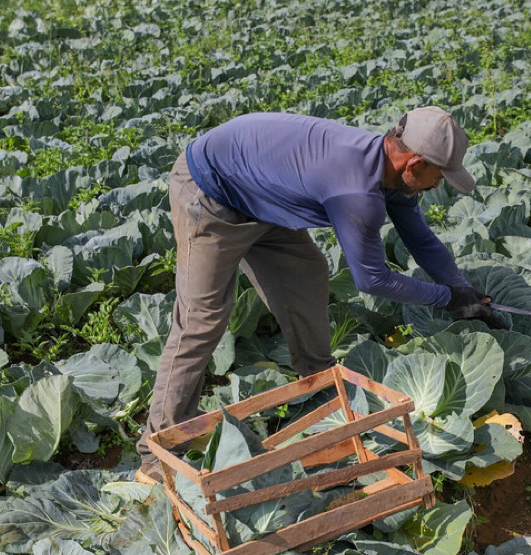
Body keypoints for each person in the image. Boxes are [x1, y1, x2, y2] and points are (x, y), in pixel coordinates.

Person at [135, 106, 500, 484]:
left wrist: (459, 286)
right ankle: (156, 453)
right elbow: (373, 280)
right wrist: (445, 299)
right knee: (202, 321)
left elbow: (420, 238)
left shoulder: (389, 168)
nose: (437, 185)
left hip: (261, 192)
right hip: (211, 191)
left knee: (306, 271)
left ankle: (319, 382)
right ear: (415, 163)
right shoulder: (356, 190)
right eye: (438, 176)